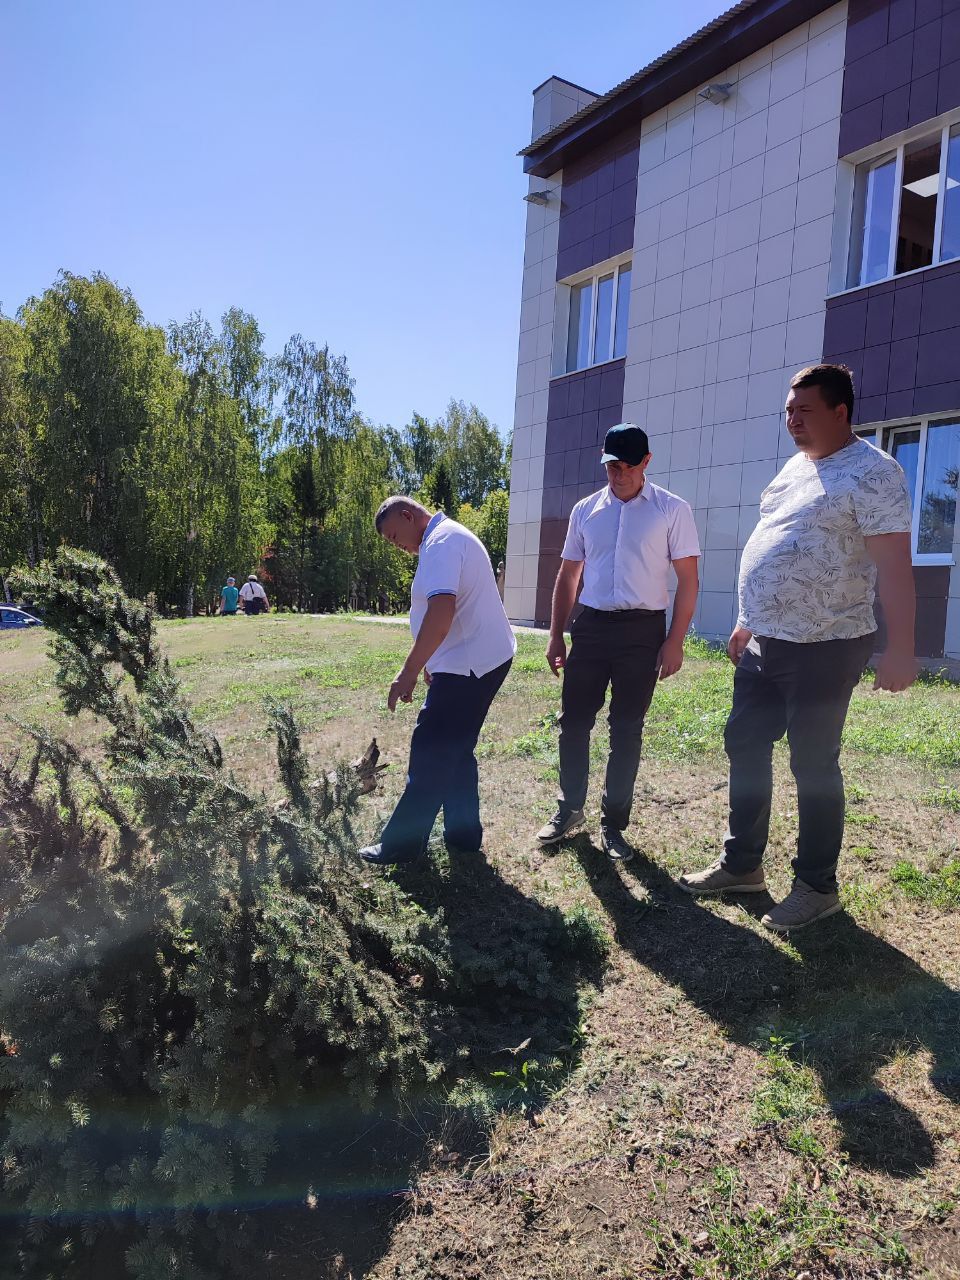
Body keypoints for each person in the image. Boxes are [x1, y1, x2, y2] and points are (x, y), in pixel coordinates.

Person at [680, 364, 917, 931]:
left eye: (804, 411)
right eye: (788, 411)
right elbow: (770, 542)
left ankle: (816, 886)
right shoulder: (794, 469)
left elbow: (895, 569)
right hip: (766, 640)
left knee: (813, 764)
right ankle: (742, 866)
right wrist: (745, 618)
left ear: (841, 412)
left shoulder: (875, 473)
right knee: (744, 741)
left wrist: (902, 647)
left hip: (827, 642)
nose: (793, 421)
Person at [537, 423, 701, 862]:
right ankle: (570, 809)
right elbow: (569, 575)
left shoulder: (671, 510)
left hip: (642, 632)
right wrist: (556, 633)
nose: (618, 473)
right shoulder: (585, 510)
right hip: (591, 628)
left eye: (627, 465)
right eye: (611, 465)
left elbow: (688, 580)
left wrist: (675, 641)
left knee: (626, 729)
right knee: (573, 722)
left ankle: (614, 825)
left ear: (646, 462)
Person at [359, 496, 516, 865]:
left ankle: (401, 844)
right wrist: (433, 659)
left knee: (431, 749)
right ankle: (463, 836)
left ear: (409, 516)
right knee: (455, 748)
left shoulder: (441, 544)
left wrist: (410, 670)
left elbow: (442, 612)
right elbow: (449, 614)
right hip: (475, 660)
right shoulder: (445, 538)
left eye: (397, 536)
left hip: (470, 666)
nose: (400, 547)